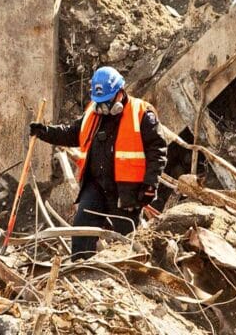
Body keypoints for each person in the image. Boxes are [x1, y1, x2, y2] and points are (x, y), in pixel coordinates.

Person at [30, 66, 167, 260]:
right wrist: (44, 132)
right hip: (95, 185)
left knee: (126, 242)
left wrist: (150, 184)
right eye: (99, 102)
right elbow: (72, 133)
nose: (103, 107)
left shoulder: (142, 113)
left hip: (126, 191)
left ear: (120, 93)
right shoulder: (93, 114)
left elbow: (158, 151)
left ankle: (128, 279)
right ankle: (80, 271)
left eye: (107, 101)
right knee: (82, 231)